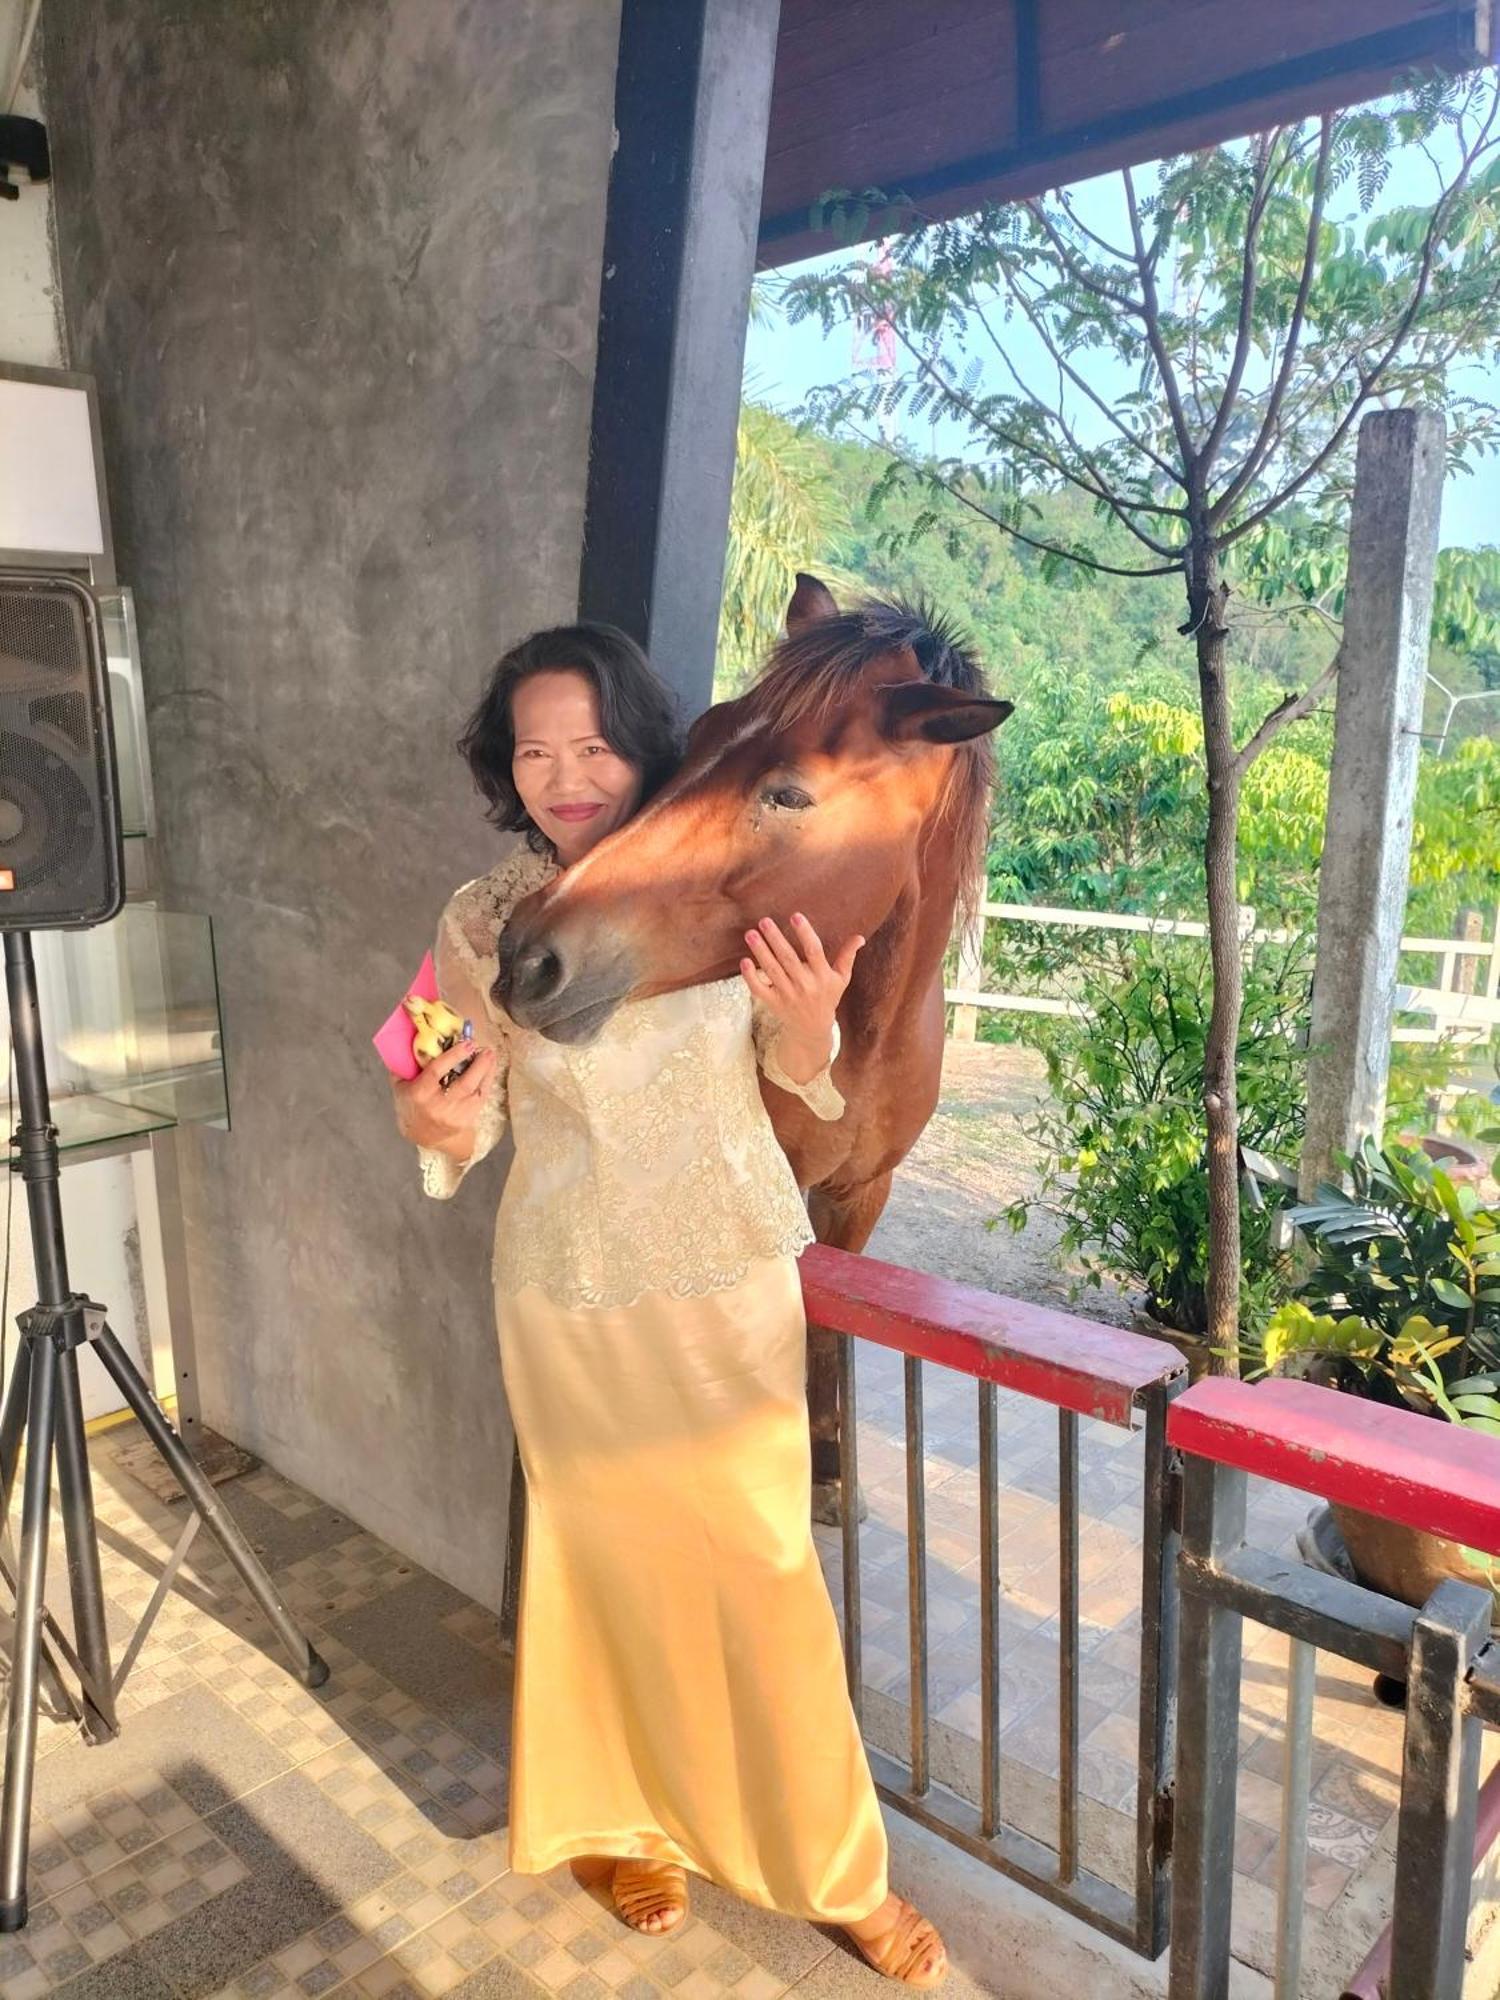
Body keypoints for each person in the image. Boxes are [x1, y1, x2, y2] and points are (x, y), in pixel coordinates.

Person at [392, 623, 948, 1987]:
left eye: (590, 742)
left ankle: (836, 1869)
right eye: (534, 749)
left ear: (643, 741)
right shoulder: (481, 919)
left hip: (728, 1284)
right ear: (504, 766)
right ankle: (612, 1819)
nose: (564, 774)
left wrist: (812, 1025)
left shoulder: (731, 869)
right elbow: (449, 1105)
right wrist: (429, 1112)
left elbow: (805, 1077)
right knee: (594, 1568)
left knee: (763, 1573)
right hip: (568, 1291)